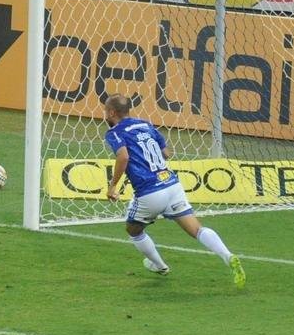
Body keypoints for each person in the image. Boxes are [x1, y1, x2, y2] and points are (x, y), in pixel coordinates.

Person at [103, 94, 246, 288]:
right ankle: (228, 256)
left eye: (106, 111)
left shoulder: (114, 132)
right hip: (171, 184)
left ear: (112, 112)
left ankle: (160, 265)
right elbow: (167, 153)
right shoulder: (145, 124)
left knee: (133, 229)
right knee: (196, 229)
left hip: (150, 191)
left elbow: (123, 157)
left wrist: (113, 186)